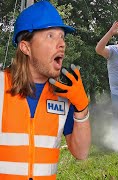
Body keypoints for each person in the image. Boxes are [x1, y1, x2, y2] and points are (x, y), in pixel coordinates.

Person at [0, 1, 91, 179]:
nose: (62, 44)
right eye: (50, 36)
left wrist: (82, 107)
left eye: (62, 37)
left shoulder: (65, 96)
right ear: (26, 47)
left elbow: (81, 152)